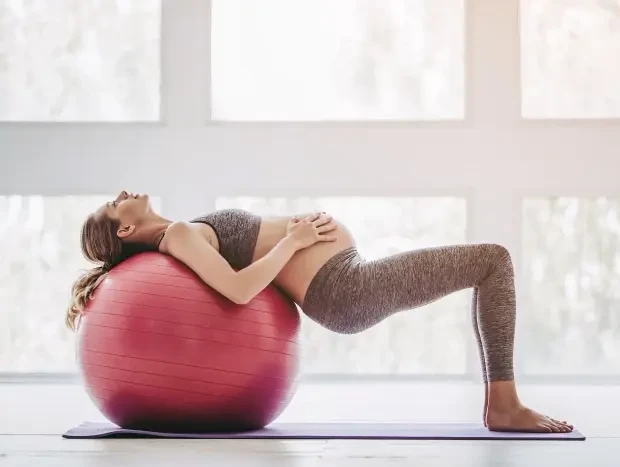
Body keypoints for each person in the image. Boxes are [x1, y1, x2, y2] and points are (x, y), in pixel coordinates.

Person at [67, 190, 572, 434]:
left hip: (346, 276)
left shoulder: (181, 230)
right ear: (125, 231)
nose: (124, 194)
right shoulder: (176, 236)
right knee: (492, 261)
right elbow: (240, 290)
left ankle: (502, 403)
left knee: (487, 264)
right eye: (115, 205)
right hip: (343, 289)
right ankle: (503, 405)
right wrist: (293, 239)